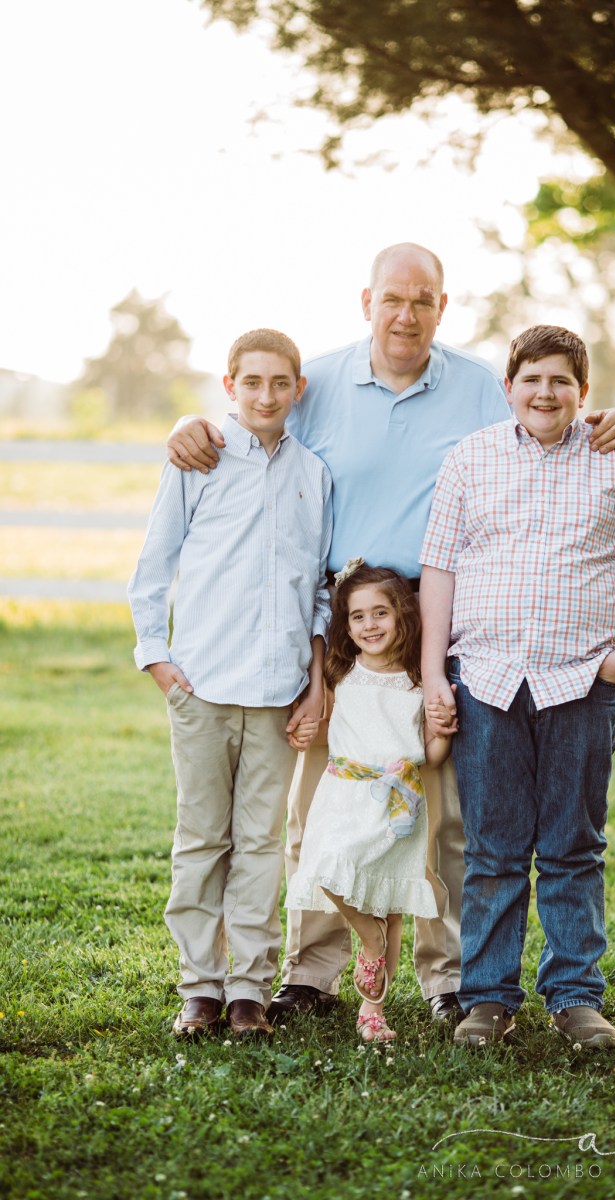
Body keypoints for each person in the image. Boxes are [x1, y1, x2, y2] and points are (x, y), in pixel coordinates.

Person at [166, 243, 615, 1026]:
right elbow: (248, 419)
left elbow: (546, 424)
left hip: (438, 616)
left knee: (442, 807)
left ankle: (444, 972)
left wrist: (608, 419)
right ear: (367, 301)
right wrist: (192, 422)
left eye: (423, 300)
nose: (407, 313)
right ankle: (313, 968)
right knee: (323, 805)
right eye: (394, 298)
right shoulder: (317, 382)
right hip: (341, 623)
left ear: (442, 307)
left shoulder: (479, 387)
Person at [420, 324, 615, 1048]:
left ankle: (575, 996)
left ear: (583, 392)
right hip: (489, 681)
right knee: (494, 850)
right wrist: (434, 671)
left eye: (560, 380)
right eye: (532, 378)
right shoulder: (470, 460)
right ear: (509, 388)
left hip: (580, 683)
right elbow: (439, 569)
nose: (545, 392)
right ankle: (489, 999)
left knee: (573, 846)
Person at [128, 328, 332, 1039]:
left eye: (281, 384)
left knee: (259, 842)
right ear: (230, 386)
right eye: (253, 383)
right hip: (203, 684)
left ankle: (248, 989)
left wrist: (313, 680)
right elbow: (153, 567)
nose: (267, 396)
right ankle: (200, 988)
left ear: (297, 390)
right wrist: (159, 661)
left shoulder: (314, 474)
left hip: (278, 690)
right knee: (202, 839)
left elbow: (319, 591)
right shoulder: (200, 460)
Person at [286, 561, 455, 1042]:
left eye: (381, 613)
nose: (370, 625)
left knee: (391, 903)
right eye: (358, 616)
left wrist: (441, 730)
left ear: (403, 614)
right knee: (325, 864)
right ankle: (368, 936)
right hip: (344, 794)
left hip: (398, 803)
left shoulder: (419, 681)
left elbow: (431, 757)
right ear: (347, 624)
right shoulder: (342, 671)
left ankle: (373, 1010)